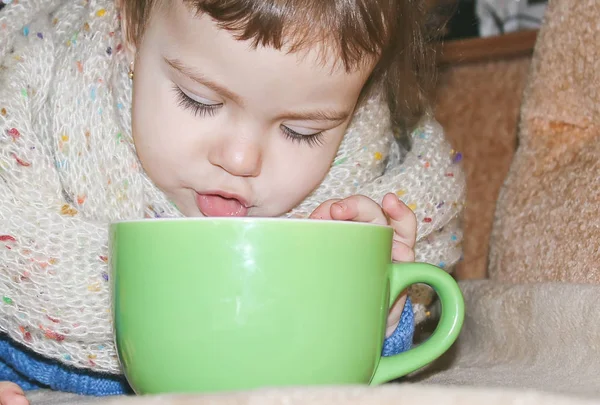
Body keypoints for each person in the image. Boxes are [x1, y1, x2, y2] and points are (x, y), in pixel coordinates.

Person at [0, 0, 465, 403]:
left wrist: (378, 309)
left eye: (300, 131)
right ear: (133, 29)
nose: (241, 159)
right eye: (199, 100)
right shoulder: (31, 121)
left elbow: (365, 373)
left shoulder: (363, 184)